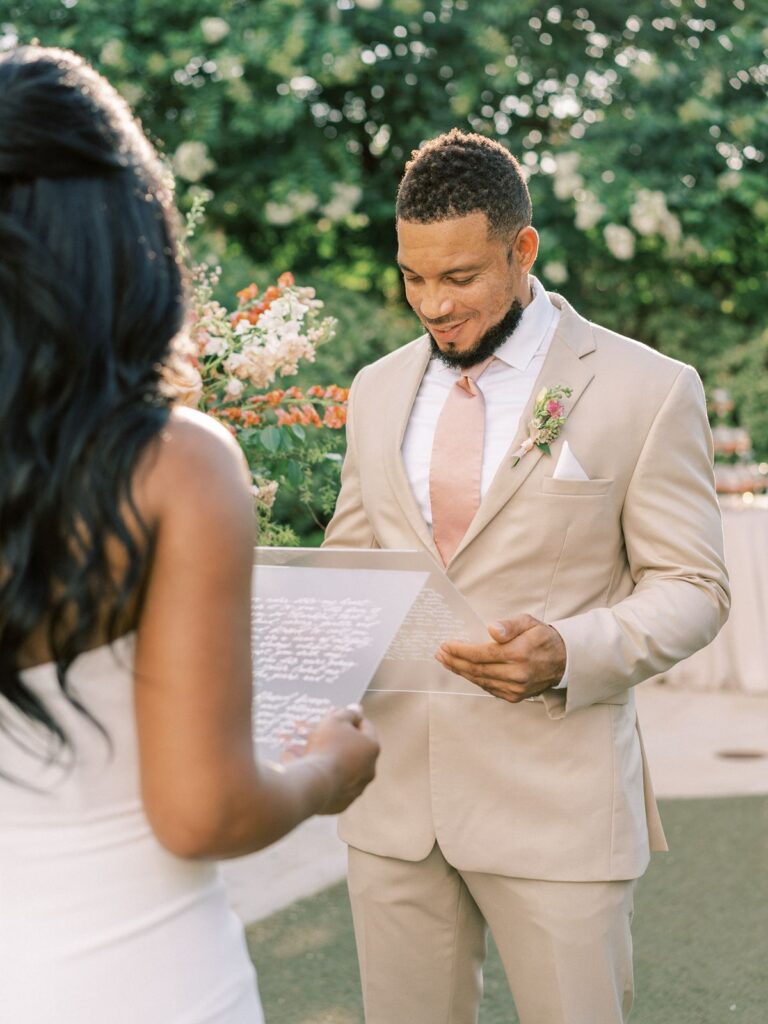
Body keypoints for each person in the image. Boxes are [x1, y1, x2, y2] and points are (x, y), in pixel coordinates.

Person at [0, 46, 379, 1024]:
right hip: (138, 982)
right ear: (123, 230)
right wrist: (321, 774)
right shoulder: (174, 467)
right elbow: (201, 810)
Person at [324, 129, 729, 1024]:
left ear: (523, 250)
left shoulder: (646, 388)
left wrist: (570, 650)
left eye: (460, 278)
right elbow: (355, 568)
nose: (432, 305)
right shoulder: (375, 388)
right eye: (412, 277)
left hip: (557, 802)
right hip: (394, 808)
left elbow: (695, 587)